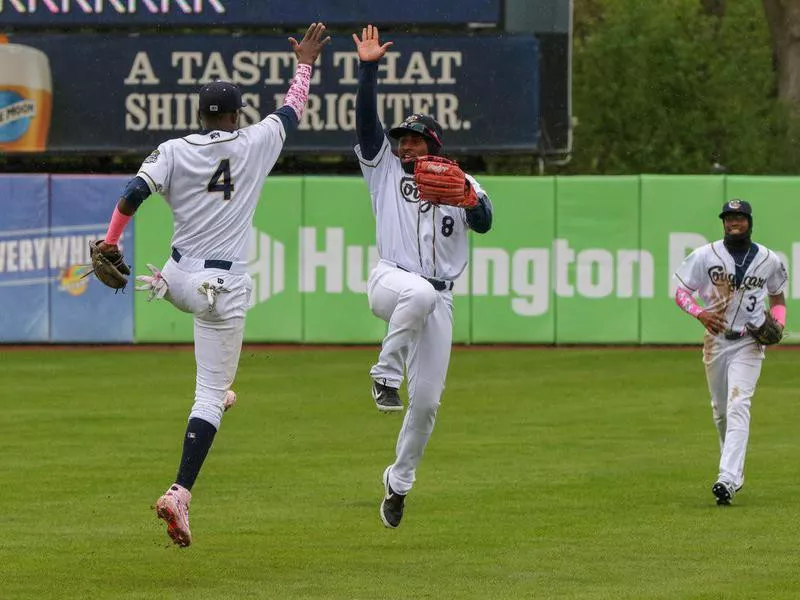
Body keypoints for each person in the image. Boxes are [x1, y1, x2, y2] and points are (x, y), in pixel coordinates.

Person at [94, 24, 330, 546]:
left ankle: (217, 394)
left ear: (200, 115)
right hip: (221, 285)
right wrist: (306, 62)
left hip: (174, 279)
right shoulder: (256, 141)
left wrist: (111, 241)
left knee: (215, 382)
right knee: (208, 392)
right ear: (236, 114)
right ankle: (180, 492)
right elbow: (293, 107)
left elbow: (135, 190)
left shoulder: (175, 149)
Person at [352, 25, 494, 527]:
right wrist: (368, 69)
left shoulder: (461, 181)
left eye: (413, 141)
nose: (404, 148)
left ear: (433, 145)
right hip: (390, 281)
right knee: (416, 293)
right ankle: (385, 375)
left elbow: (486, 222)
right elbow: (368, 125)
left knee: (429, 403)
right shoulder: (384, 171)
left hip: (440, 299)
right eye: (402, 141)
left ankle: (398, 482)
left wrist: (469, 198)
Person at [674, 199, 787, 505]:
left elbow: (778, 298)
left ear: (750, 221)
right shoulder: (705, 255)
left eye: (739, 217)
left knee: (739, 405)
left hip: (749, 343)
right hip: (716, 342)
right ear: (723, 222)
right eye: (729, 217)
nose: (734, 222)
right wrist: (699, 313)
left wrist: (777, 324)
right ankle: (733, 472)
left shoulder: (768, 259)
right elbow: (680, 291)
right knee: (720, 411)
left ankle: (727, 478)